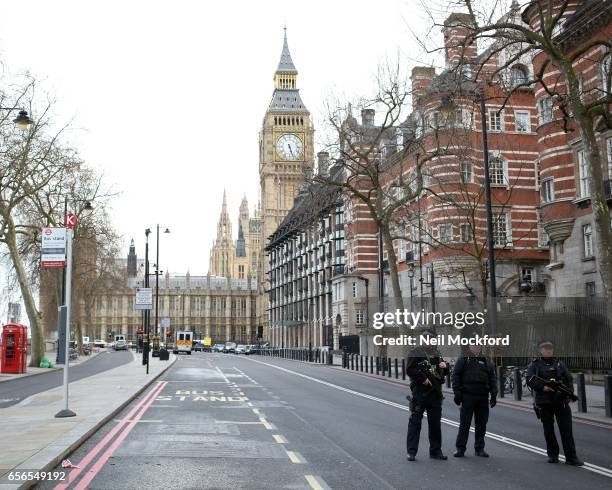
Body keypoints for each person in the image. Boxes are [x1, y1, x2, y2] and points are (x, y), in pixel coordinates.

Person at [526, 340, 583, 466]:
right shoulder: (534, 365)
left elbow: (568, 379)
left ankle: (571, 457)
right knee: (548, 430)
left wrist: (569, 393)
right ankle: (553, 455)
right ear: (540, 350)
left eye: (550, 349)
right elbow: (530, 380)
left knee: (567, 430)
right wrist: (543, 388)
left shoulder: (559, 363)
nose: (548, 351)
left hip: (561, 400)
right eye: (546, 349)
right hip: (544, 401)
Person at [405, 330, 449, 461]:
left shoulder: (437, 353)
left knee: (435, 424)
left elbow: (443, 371)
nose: (430, 342)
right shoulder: (415, 352)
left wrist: (445, 367)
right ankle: (411, 452)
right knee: (415, 423)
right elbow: (410, 369)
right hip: (420, 393)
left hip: (435, 393)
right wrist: (423, 378)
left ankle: (435, 451)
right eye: (428, 340)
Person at [451, 343, 497, 458]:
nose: (477, 347)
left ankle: (479, 449)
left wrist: (494, 394)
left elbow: (492, 377)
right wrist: (457, 393)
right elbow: (456, 375)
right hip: (468, 396)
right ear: (470, 346)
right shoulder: (463, 359)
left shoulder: (486, 359)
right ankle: (460, 449)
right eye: (474, 345)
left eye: (479, 345)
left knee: (481, 424)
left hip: (482, 396)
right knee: (465, 424)